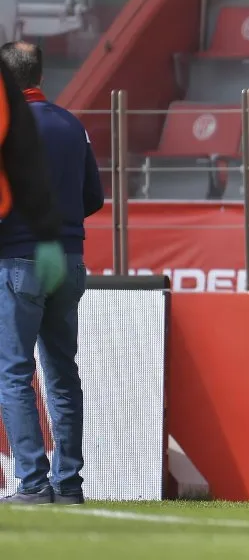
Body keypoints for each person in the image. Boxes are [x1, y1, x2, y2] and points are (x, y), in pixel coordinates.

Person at [0, 42, 104, 505]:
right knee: (62, 373)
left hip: (17, 261)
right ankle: (68, 483)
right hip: (68, 260)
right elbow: (93, 197)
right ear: (40, 75)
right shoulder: (71, 124)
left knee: (13, 375)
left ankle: (33, 483)